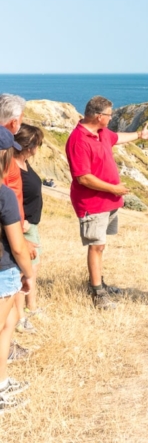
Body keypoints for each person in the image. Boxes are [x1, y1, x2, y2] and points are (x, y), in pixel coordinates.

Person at [65, 96, 148, 309]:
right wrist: (114, 188)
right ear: (99, 116)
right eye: (109, 114)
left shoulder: (102, 133)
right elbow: (83, 178)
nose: (111, 117)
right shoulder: (78, 140)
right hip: (92, 202)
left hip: (108, 201)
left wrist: (139, 135)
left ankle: (99, 283)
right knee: (96, 246)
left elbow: (117, 137)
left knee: (101, 245)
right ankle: (97, 293)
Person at [0, 126, 34, 414]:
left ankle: (2, 383)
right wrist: (29, 274)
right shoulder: (4, 195)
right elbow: (18, 246)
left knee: (7, 327)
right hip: (3, 270)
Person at [13, 125, 45, 332]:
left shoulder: (24, 163)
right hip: (22, 226)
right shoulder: (13, 167)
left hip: (31, 223)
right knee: (21, 271)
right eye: (38, 143)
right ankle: (20, 317)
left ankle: (30, 306)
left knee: (33, 267)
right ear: (29, 146)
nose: (39, 147)